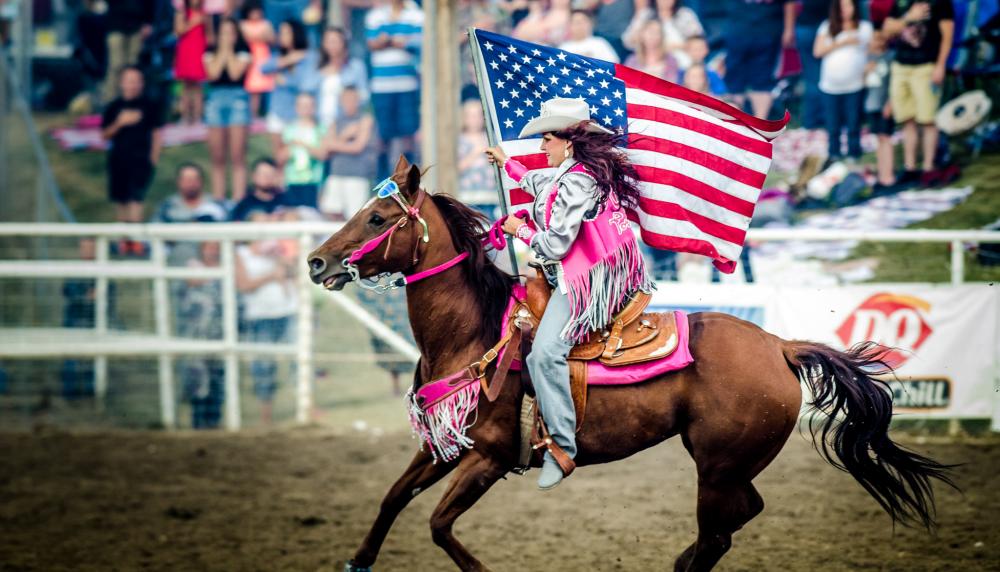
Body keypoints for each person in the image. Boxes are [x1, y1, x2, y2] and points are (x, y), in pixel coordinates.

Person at [485, 98, 655, 490]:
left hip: (592, 281)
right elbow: (538, 182)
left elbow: (557, 244)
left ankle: (563, 448)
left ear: (568, 143)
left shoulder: (578, 179)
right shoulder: (570, 173)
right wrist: (506, 164)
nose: (541, 147)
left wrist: (519, 231)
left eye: (546, 139)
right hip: (585, 273)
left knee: (545, 352)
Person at [235, 211, 299, 426]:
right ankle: (266, 416)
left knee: (299, 362)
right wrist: (270, 276)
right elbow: (243, 285)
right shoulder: (241, 253)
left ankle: (306, 408)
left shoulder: (277, 249)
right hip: (259, 316)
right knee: (263, 367)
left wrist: (280, 259)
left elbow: (293, 272)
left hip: (287, 310)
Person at [883, 0, 955, 186]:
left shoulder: (939, 3)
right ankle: (910, 167)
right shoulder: (900, 3)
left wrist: (940, 65)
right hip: (901, 66)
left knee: (928, 119)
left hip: (926, 66)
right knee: (907, 119)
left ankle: (929, 167)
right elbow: (887, 30)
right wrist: (909, 18)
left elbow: (948, 35)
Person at [101, 65, 164, 253]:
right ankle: (123, 241)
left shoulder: (149, 106)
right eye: (129, 80)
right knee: (121, 199)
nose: (133, 85)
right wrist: (120, 122)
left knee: (136, 199)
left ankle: (136, 241)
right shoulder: (113, 107)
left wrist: (153, 158)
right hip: (118, 159)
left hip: (140, 159)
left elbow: (156, 134)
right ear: (121, 83)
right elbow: (105, 135)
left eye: (136, 80)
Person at [366, 0, 424, 179]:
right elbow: (372, 43)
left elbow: (419, 42)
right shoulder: (375, 15)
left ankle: (408, 178)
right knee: (383, 134)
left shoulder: (417, 14)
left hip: (408, 84)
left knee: (408, 132)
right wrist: (397, 41)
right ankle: (382, 180)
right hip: (381, 86)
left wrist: (387, 41)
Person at [814, 0, 873, 162]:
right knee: (833, 124)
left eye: (848, 5)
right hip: (830, 86)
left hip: (855, 85)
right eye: (841, 7)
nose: (845, 10)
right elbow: (817, 51)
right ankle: (834, 153)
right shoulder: (827, 26)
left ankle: (854, 152)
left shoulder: (865, 28)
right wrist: (842, 42)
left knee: (853, 122)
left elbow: (872, 52)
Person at [203, 17, 253, 203]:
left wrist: (228, 50)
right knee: (217, 155)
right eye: (223, 33)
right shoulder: (209, 51)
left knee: (238, 154)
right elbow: (213, 73)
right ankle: (219, 198)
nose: (226, 37)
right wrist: (221, 50)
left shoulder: (243, 51)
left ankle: (238, 198)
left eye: (230, 33)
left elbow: (234, 73)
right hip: (215, 100)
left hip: (237, 99)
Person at [723, 0, 797, 119]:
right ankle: (734, 122)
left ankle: (760, 125)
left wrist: (789, 29)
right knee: (734, 81)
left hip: (767, 31)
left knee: (763, 81)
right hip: (738, 29)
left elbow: (789, 3)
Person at [179, 241, 226, 429]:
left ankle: (214, 420)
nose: (213, 251)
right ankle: (197, 421)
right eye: (209, 247)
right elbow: (192, 280)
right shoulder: (194, 265)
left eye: (215, 248)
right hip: (197, 334)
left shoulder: (224, 266)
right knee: (197, 378)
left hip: (218, 333)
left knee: (217, 377)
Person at [262, 19, 321, 161]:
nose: (282, 35)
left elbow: (307, 84)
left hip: (301, 115)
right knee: (280, 157)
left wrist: (285, 81)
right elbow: (263, 68)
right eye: (281, 32)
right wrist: (289, 59)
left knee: (300, 156)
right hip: (278, 112)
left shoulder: (311, 56)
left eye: (286, 32)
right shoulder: (278, 56)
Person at [319, 86, 377, 220]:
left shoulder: (365, 119)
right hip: (336, 174)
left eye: (353, 99)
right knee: (331, 213)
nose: (349, 102)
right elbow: (325, 150)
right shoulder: (336, 121)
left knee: (355, 217)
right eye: (346, 99)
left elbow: (357, 147)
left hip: (357, 176)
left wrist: (334, 143)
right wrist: (345, 137)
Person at [101, 0, 155, 104]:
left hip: (136, 25)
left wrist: (148, 22)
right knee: (116, 65)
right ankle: (111, 103)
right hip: (115, 24)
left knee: (133, 67)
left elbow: (149, 3)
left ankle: (132, 103)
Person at [622, 0, 703, 68]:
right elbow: (627, 40)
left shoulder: (685, 15)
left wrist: (675, 46)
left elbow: (699, 41)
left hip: (681, 62)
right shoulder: (646, 14)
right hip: (649, 62)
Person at [279, 93, 326, 207]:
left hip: (313, 181)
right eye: (303, 105)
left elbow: (322, 155)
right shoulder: (289, 129)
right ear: (296, 107)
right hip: (292, 180)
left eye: (309, 105)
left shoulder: (320, 129)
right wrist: (290, 148)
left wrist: (302, 144)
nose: (306, 109)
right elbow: (280, 158)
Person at [317, 26, 369, 130]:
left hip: (345, 123)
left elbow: (365, 96)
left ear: (343, 43)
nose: (331, 45)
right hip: (319, 123)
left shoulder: (356, 67)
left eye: (334, 41)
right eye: (328, 41)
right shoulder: (316, 69)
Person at [865, 28, 897, 192]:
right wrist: (866, 71)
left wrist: (890, 104)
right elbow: (864, 83)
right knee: (878, 139)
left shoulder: (890, 57)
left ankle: (889, 175)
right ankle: (882, 174)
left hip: (885, 105)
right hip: (871, 105)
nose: (876, 43)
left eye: (879, 39)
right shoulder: (867, 59)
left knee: (886, 138)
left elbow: (895, 83)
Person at [796, 0, 832, 132]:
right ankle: (822, 119)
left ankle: (812, 120)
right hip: (821, 27)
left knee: (812, 78)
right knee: (818, 78)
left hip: (809, 26)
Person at [456, 99, 495, 215]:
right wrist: (476, 152)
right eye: (472, 116)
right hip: (469, 196)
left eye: (479, 115)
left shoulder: (490, 137)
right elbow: (457, 167)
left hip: (491, 195)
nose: (476, 120)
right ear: (464, 118)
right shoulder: (460, 140)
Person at [174, 0, 209, 125]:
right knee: (186, 86)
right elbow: (178, 31)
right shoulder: (182, 13)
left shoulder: (205, 13)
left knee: (198, 87)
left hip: (199, 50)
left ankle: (198, 116)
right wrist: (194, 22)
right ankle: (185, 117)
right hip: (186, 50)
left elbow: (210, 36)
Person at [240, 1, 276, 118]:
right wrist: (260, 37)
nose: (256, 14)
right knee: (252, 89)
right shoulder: (243, 24)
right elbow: (244, 38)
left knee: (264, 88)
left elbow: (272, 39)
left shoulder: (266, 24)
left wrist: (256, 38)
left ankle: (264, 114)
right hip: (249, 60)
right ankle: (252, 115)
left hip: (263, 59)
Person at [623, 18, 680, 83]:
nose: (652, 36)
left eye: (656, 32)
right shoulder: (632, 61)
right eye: (649, 32)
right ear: (642, 35)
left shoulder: (671, 60)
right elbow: (627, 84)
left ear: (661, 36)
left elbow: (672, 85)